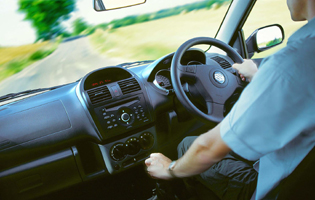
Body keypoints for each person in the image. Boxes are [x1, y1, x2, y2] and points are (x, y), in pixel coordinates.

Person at [145, 0, 315, 199]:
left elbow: (209, 149)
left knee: (187, 146)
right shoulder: (298, 63)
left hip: (274, 189)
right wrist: (260, 75)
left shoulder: (291, 62)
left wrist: (169, 168)